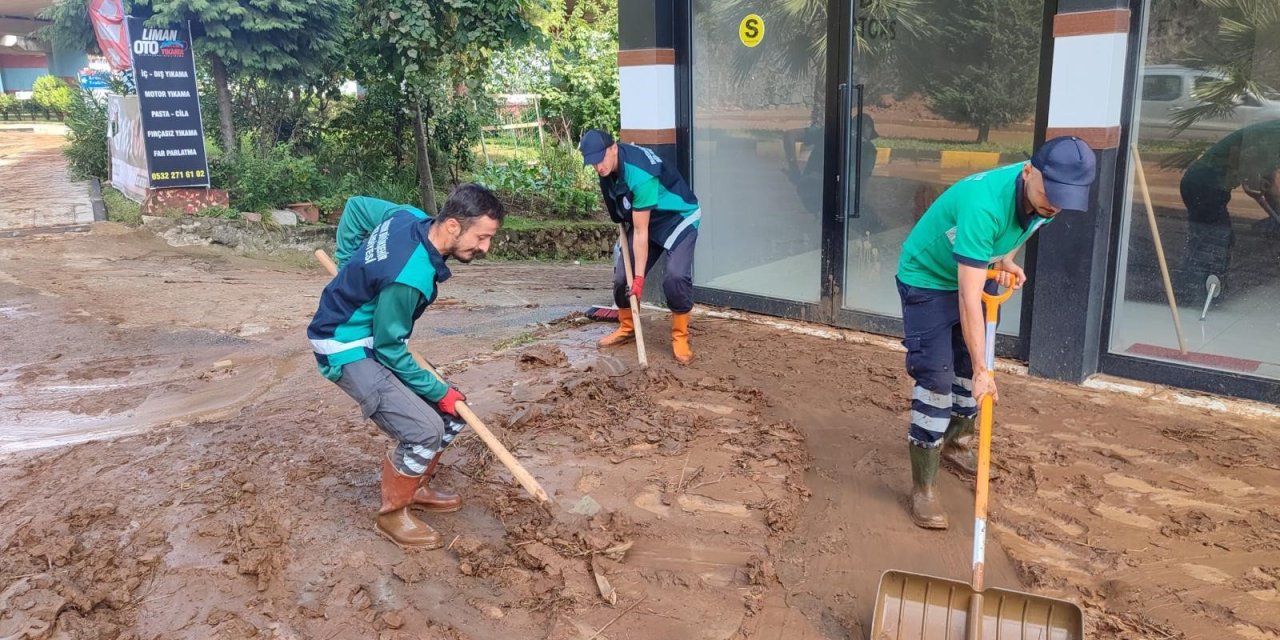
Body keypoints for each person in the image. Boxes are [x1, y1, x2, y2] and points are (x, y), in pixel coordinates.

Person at [895, 136, 1097, 529]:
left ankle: (956, 441)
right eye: (1050, 193)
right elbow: (969, 299)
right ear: (1028, 172)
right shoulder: (984, 206)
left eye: (1064, 197)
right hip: (928, 278)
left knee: (969, 374)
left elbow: (1023, 228)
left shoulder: (1047, 198)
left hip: (976, 268)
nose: (1054, 204)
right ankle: (924, 487)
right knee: (937, 379)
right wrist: (983, 368)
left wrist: (1004, 258)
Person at [307, 185, 505, 548]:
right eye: (482, 237)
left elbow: (356, 205)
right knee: (425, 429)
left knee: (454, 415)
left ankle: (417, 485)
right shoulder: (409, 277)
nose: (484, 248)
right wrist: (439, 392)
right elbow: (389, 350)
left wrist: (349, 264)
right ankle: (393, 514)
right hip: (344, 344)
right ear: (451, 226)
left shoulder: (408, 217)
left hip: (372, 334)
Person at [579, 129, 701, 364]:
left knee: (675, 277)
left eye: (599, 159)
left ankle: (680, 336)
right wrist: (631, 277)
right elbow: (623, 215)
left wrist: (640, 279)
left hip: (678, 217)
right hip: (645, 218)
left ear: (613, 148)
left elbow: (642, 233)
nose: (597, 167)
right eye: (592, 162)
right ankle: (627, 327)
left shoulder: (640, 174)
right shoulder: (606, 171)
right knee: (621, 278)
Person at [1176, 119, 1280, 304]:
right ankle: (1197, 292)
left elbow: (1263, 178)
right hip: (1204, 184)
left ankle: (1195, 287)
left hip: (1208, 184)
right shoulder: (1274, 134)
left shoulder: (1271, 133)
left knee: (1212, 237)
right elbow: (1257, 172)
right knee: (1215, 239)